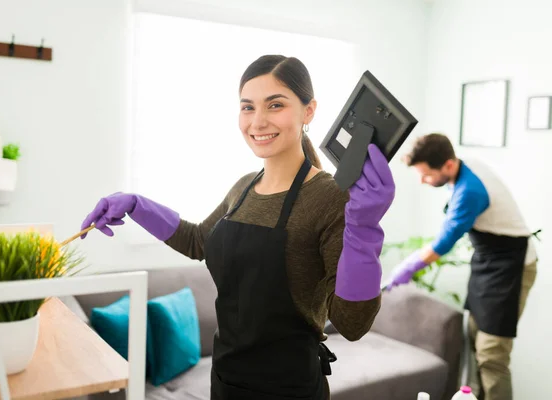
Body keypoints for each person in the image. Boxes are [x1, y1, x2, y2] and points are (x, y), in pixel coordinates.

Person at [80, 55, 395, 400]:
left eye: (275, 105)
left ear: (308, 111)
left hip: (289, 389)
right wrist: (137, 205)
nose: (258, 121)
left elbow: (352, 324)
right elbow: (198, 240)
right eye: (248, 107)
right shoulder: (244, 186)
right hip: (226, 381)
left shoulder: (331, 198)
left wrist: (363, 230)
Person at [385, 133, 538, 400]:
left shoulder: (470, 190)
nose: (422, 181)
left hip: (511, 266)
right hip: (487, 263)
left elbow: (444, 242)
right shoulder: (463, 166)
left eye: (426, 175)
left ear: (447, 165)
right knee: (474, 341)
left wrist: (408, 267)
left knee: (491, 354)